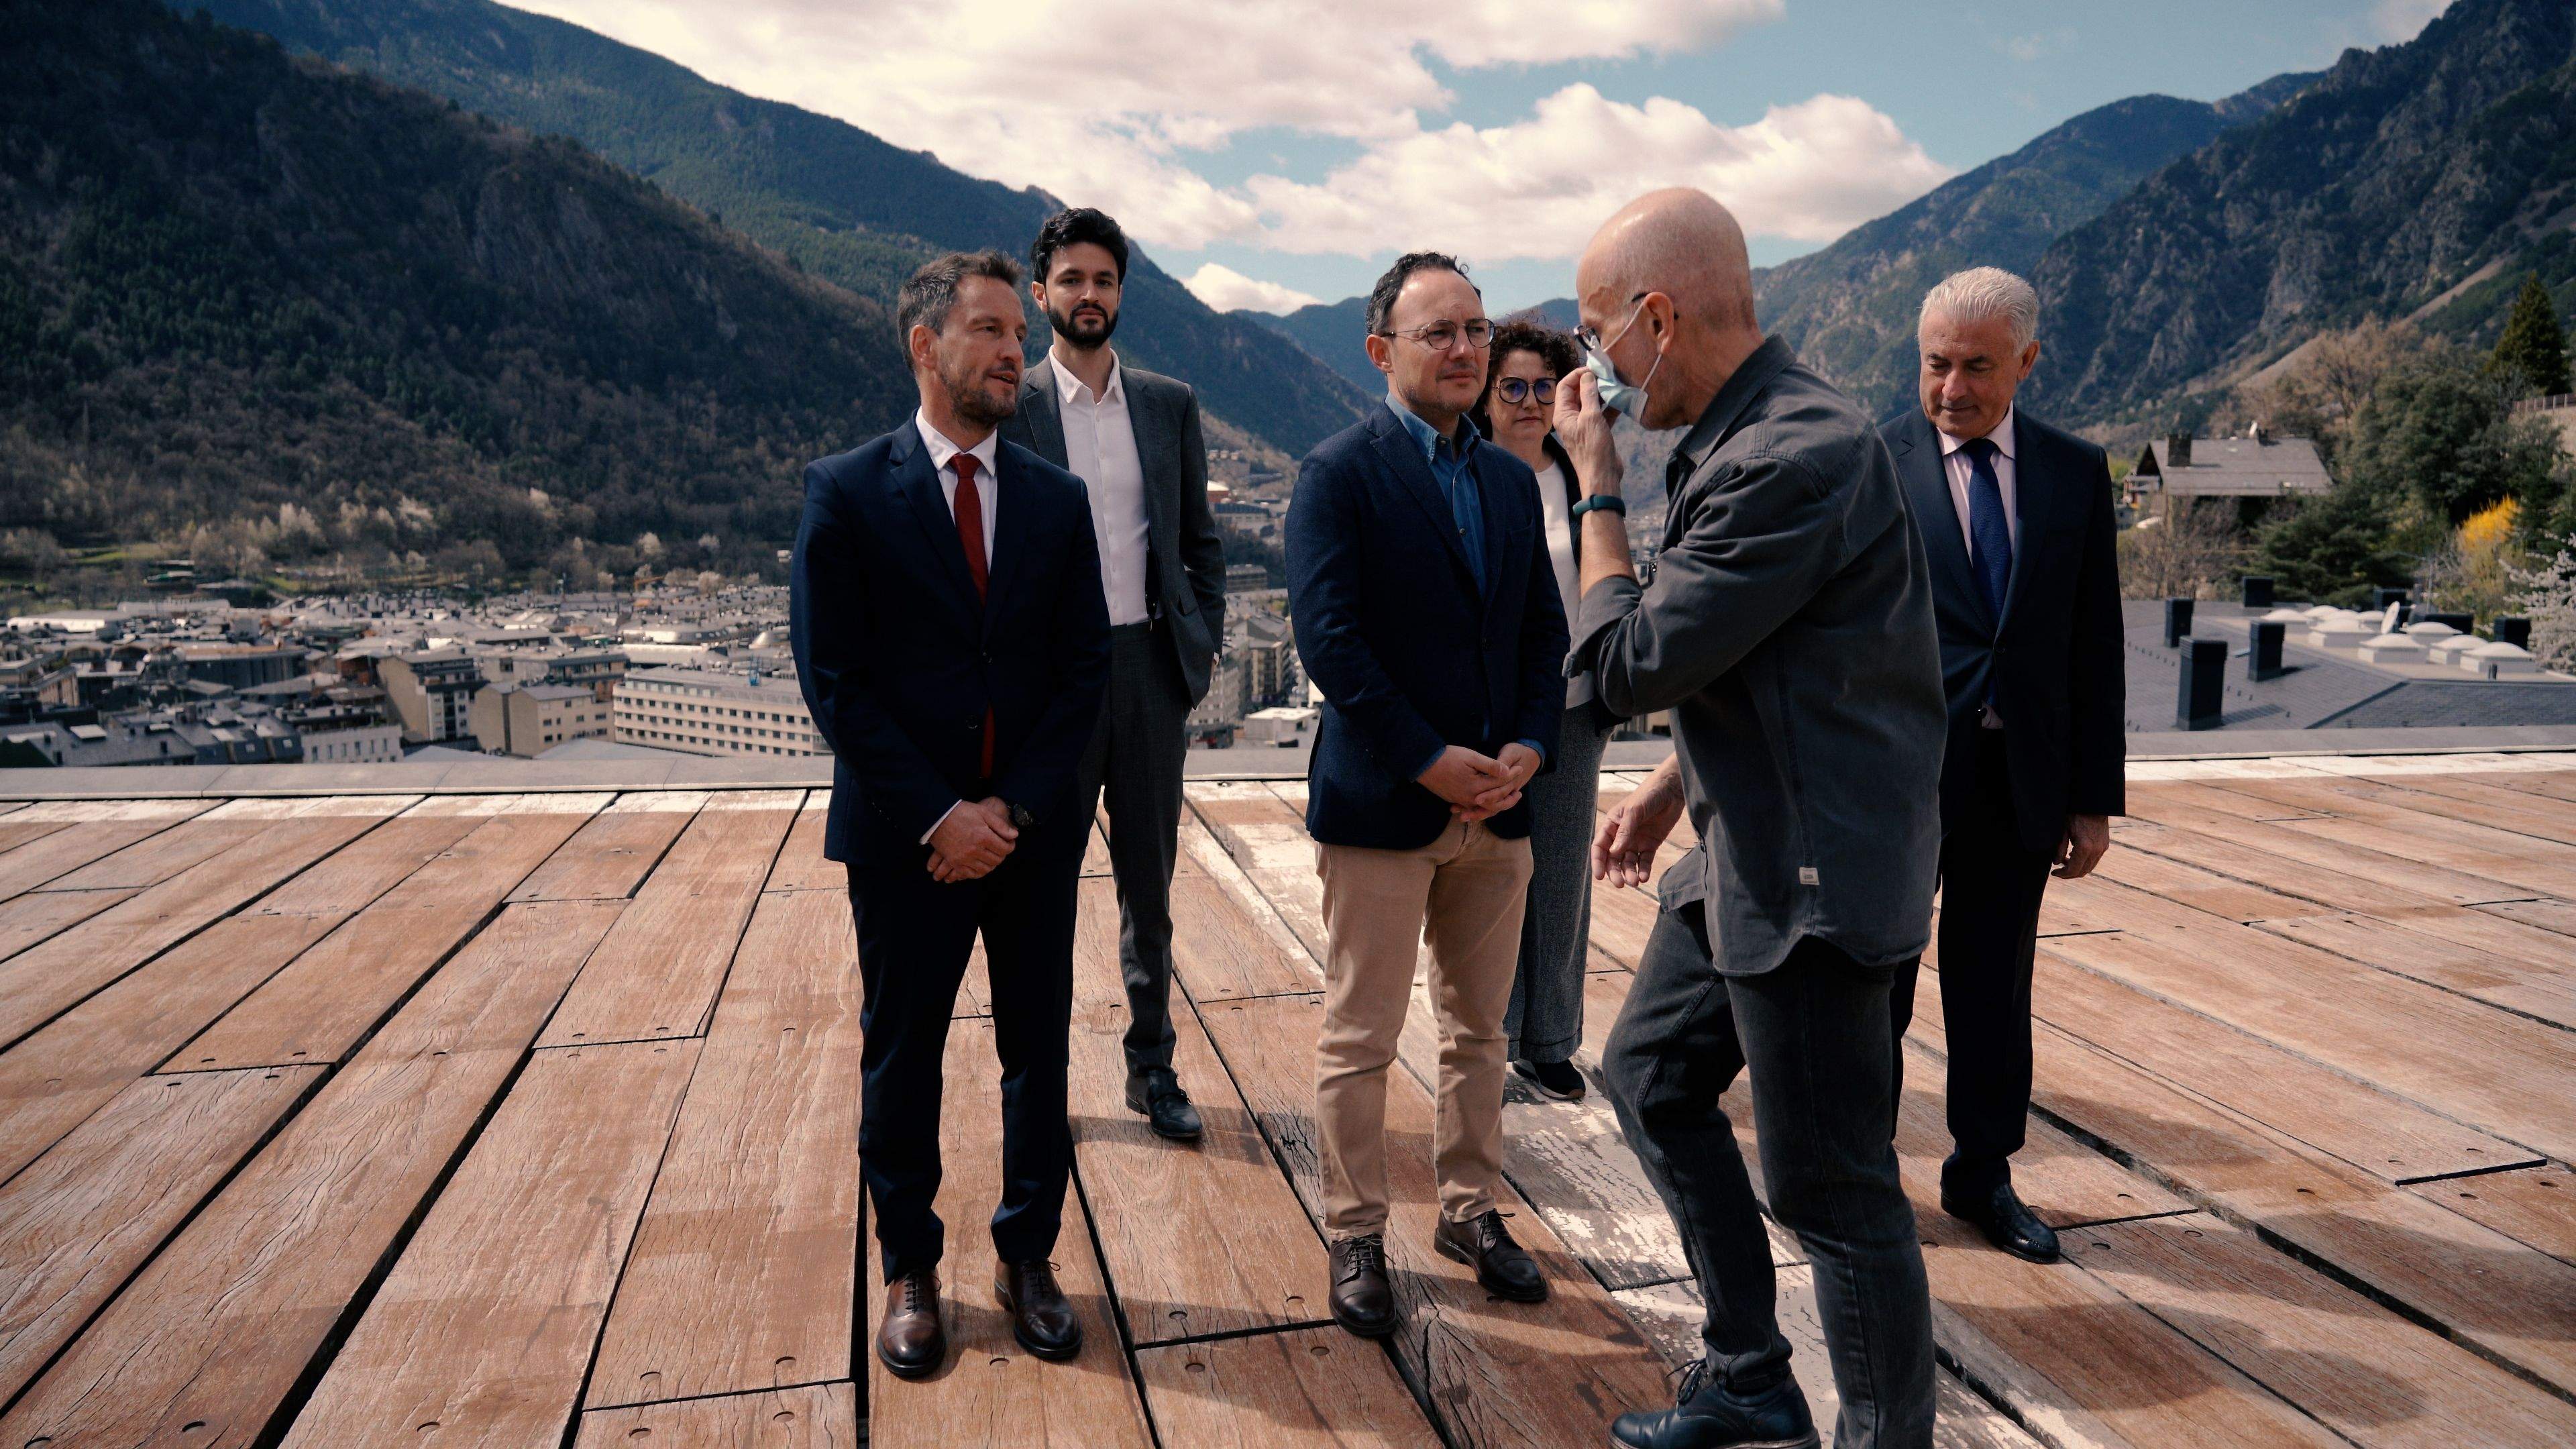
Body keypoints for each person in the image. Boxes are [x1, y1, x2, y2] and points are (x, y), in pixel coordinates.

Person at [1561, 189, 1943, 1449]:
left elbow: (1622, 668)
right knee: (1654, 1077)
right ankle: (1750, 1376)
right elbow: (1792, 654)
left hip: (1816, 880)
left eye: (1595, 333)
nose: (1595, 369)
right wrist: (1676, 786)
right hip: (1748, 842)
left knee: (1835, 1195)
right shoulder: (1754, 430)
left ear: (1658, 318)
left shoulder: (1792, 452)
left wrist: (1593, 494)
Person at [790, 250, 1111, 1381]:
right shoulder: (846, 491)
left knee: (1038, 1053)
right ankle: (909, 1267)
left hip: (1028, 838)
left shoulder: (1058, 501)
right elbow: (835, 682)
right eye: (988, 331)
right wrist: (939, 815)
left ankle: (1027, 1257)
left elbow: (1083, 676)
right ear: (925, 348)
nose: (1014, 350)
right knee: (903, 1055)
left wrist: (1011, 810)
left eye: (1017, 333)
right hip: (905, 841)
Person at [1285, 252, 1570, 1338]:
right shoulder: (1337, 474)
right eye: (1438, 332)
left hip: (1500, 808)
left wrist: (1533, 748)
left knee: (1479, 1034)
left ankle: (1470, 1209)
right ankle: (1356, 1233)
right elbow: (1333, 645)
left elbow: (1543, 633)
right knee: (1360, 1035)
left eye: (1475, 329)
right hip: (1385, 808)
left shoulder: (1508, 475)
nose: (1465, 349)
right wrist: (1428, 759)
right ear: (1381, 352)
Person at [1880, 267, 2125, 1264]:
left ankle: (1982, 1176)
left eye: (1978, 367)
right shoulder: (1871, 463)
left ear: (2027, 360)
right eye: (1937, 364)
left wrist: (2092, 797)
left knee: (1994, 987)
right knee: (1877, 985)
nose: (1952, 389)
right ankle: (1858, 1180)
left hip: (2014, 780)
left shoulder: (2074, 471)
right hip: (1893, 781)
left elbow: (2092, 639)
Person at [1001, 207, 1228, 1143]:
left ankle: (1154, 1070)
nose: (1088, 295)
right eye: (1072, 279)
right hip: (1049, 684)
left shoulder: (1169, 405)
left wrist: (1196, 648)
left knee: (1150, 890)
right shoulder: (1009, 404)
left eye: (1104, 280)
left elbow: (1198, 544)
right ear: (1040, 290)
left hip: (1146, 670)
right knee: (1038, 894)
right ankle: (1038, 1087)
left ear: (1121, 294)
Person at [1472, 319, 1614, 1103]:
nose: (1529, 402)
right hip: (1491, 711)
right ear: (1486, 397)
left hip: (1573, 703)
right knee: (1493, 881)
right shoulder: (1468, 472)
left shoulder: (1577, 472)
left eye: (1543, 388)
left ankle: (1552, 1040)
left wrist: (1589, 359)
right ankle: (1488, 1039)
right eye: (1513, 387)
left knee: (1560, 881)